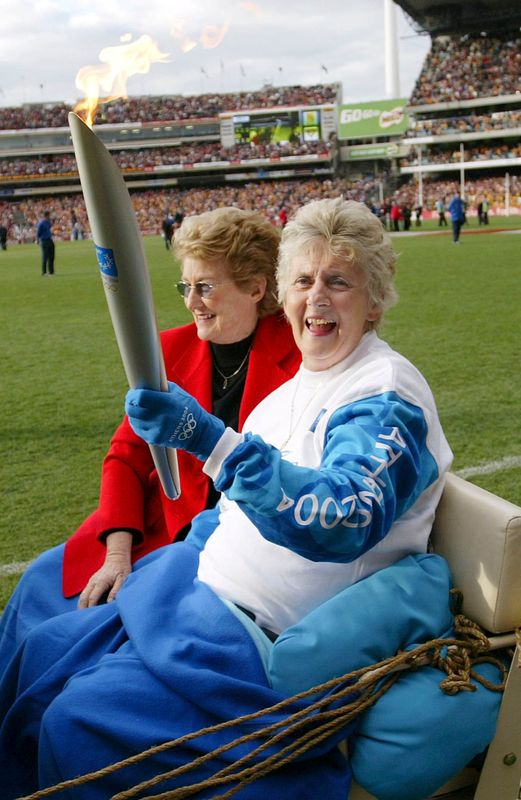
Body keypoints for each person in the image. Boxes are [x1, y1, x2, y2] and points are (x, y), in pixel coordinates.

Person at [0, 199, 498, 800]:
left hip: (251, 640)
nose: (317, 298)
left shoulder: (386, 393)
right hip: (191, 599)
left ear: (375, 301)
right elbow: (224, 515)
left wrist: (208, 439)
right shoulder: (291, 390)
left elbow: (343, 518)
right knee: (43, 657)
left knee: (73, 722)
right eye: (304, 281)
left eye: (339, 282)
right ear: (282, 295)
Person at [0, 206, 300, 674]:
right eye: (186, 287)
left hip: (226, 551)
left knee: (76, 646)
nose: (191, 301)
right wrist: (117, 550)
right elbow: (125, 455)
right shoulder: (168, 349)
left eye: (205, 287)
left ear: (256, 288)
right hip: (148, 529)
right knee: (40, 584)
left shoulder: (301, 355)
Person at [35, 210, 55, 274]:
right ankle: (44, 272)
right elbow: (38, 232)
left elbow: (49, 228)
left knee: (52, 256)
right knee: (45, 257)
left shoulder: (48, 222)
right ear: (47, 215)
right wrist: (37, 240)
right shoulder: (41, 223)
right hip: (44, 240)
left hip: (50, 240)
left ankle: (51, 271)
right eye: (50, 215)